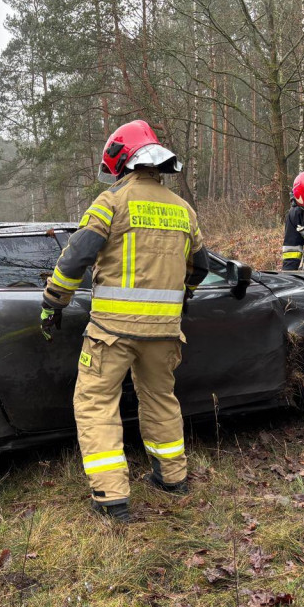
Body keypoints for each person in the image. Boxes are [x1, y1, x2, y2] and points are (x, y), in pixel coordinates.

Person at [39, 119, 209, 522]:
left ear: (121, 161)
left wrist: (53, 301)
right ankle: (173, 477)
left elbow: (75, 258)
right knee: (160, 400)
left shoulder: (111, 202)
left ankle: (111, 497)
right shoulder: (184, 209)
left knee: (96, 403)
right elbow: (200, 267)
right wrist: (179, 295)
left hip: (112, 332)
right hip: (165, 333)